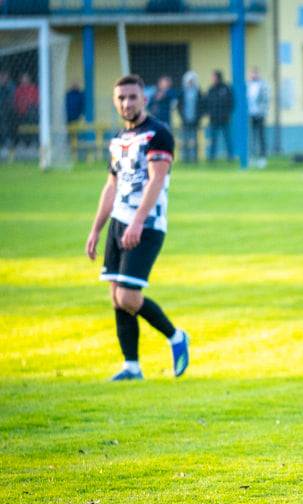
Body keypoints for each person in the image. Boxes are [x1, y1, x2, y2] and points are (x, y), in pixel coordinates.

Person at [85, 74, 190, 381]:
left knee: (129, 297)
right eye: (121, 98)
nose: (127, 103)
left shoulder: (158, 134)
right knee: (116, 293)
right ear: (115, 102)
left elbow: (157, 179)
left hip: (147, 224)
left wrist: (139, 221)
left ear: (144, 98)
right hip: (119, 224)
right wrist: (96, 230)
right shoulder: (118, 140)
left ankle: (175, 336)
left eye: (132, 97)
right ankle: (131, 365)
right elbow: (111, 187)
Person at [206, 70, 234, 161]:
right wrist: (209, 114)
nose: (212, 78)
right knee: (213, 139)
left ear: (218, 77)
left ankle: (230, 156)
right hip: (213, 119)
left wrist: (228, 114)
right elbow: (207, 103)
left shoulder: (226, 88)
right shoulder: (211, 89)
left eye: (213, 77)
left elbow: (231, 102)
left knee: (227, 139)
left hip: (224, 119)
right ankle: (211, 157)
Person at [247, 66, 270, 167]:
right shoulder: (248, 85)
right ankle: (251, 157)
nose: (253, 75)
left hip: (260, 114)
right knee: (252, 137)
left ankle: (262, 158)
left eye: (255, 73)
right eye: (252, 74)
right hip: (250, 115)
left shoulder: (263, 85)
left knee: (261, 137)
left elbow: (266, 100)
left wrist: (262, 111)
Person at [179, 70, 204, 163]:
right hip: (185, 120)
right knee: (184, 140)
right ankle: (184, 158)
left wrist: (198, 117)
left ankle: (194, 158)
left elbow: (201, 106)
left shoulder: (198, 92)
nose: (190, 82)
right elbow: (179, 106)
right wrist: (182, 116)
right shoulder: (182, 92)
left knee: (194, 140)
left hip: (194, 120)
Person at [13, 72, 38, 146]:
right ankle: (23, 141)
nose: (24, 80)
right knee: (19, 120)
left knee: (32, 115)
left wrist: (30, 106)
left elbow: (36, 101)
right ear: (20, 80)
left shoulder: (33, 88)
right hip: (21, 113)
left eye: (26, 78)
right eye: (23, 78)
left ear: (29, 79)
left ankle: (33, 140)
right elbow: (15, 102)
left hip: (31, 112)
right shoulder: (18, 90)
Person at [0, 71, 14, 157]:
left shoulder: (9, 88)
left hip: (7, 112)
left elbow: (9, 102)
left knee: (4, 120)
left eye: (3, 77)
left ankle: (7, 143)